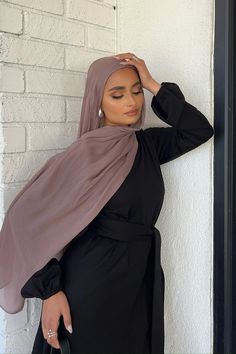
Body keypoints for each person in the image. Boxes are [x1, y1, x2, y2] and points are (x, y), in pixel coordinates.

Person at [0, 53, 214, 354]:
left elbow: (198, 130)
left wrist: (152, 82)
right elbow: (24, 221)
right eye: (118, 94)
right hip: (92, 285)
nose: (132, 101)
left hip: (140, 282)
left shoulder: (147, 146)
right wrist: (51, 291)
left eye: (136, 91)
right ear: (97, 102)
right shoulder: (83, 156)